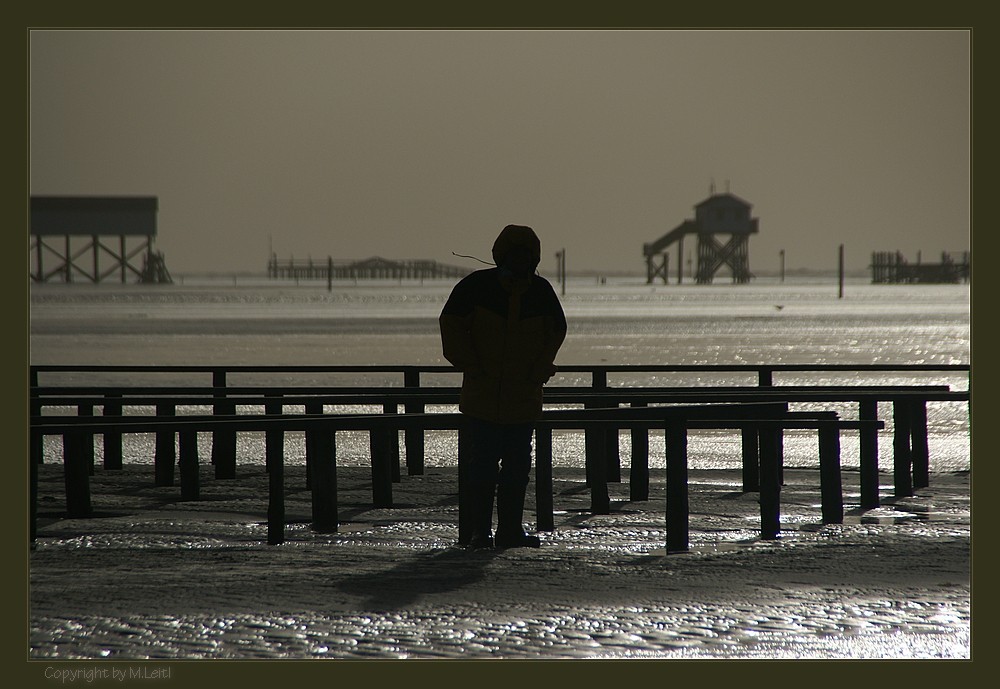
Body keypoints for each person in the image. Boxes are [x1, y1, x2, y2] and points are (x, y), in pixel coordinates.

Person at [439, 224, 567, 550]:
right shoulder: (476, 287)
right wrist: (470, 364)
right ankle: (479, 532)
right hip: (482, 397)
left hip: (522, 397)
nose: (522, 259)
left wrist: (539, 369)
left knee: (517, 468)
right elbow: (450, 325)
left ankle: (510, 530)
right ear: (502, 255)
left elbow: (557, 331)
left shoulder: (540, 292)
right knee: (480, 468)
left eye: (527, 254)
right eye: (516, 253)